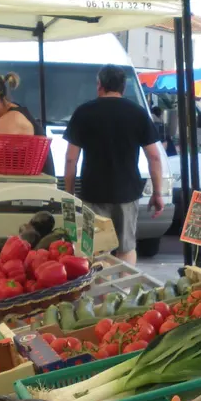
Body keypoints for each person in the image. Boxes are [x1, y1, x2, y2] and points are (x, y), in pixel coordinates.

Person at [63, 65, 165, 265]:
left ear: (99, 85)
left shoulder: (83, 112)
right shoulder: (137, 113)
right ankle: (123, 292)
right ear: (123, 87)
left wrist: (69, 192)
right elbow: (154, 157)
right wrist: (158, 193)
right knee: (126, 247)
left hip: (93, 193)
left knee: (95, 248)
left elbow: (70, 159)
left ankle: (99, 295)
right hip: (126, 193)